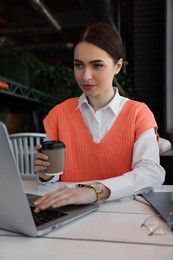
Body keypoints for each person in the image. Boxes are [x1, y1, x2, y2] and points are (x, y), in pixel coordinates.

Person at [33, 22, 165, 213]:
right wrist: (45, 174)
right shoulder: (59, 114)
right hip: (67, 215)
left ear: (117, 66)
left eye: (97, 65)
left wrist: (94, 191)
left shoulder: (138, 113)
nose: (86, 76)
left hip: (123, 216)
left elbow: (151, 174)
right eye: (79, 65)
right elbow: (53, 178)